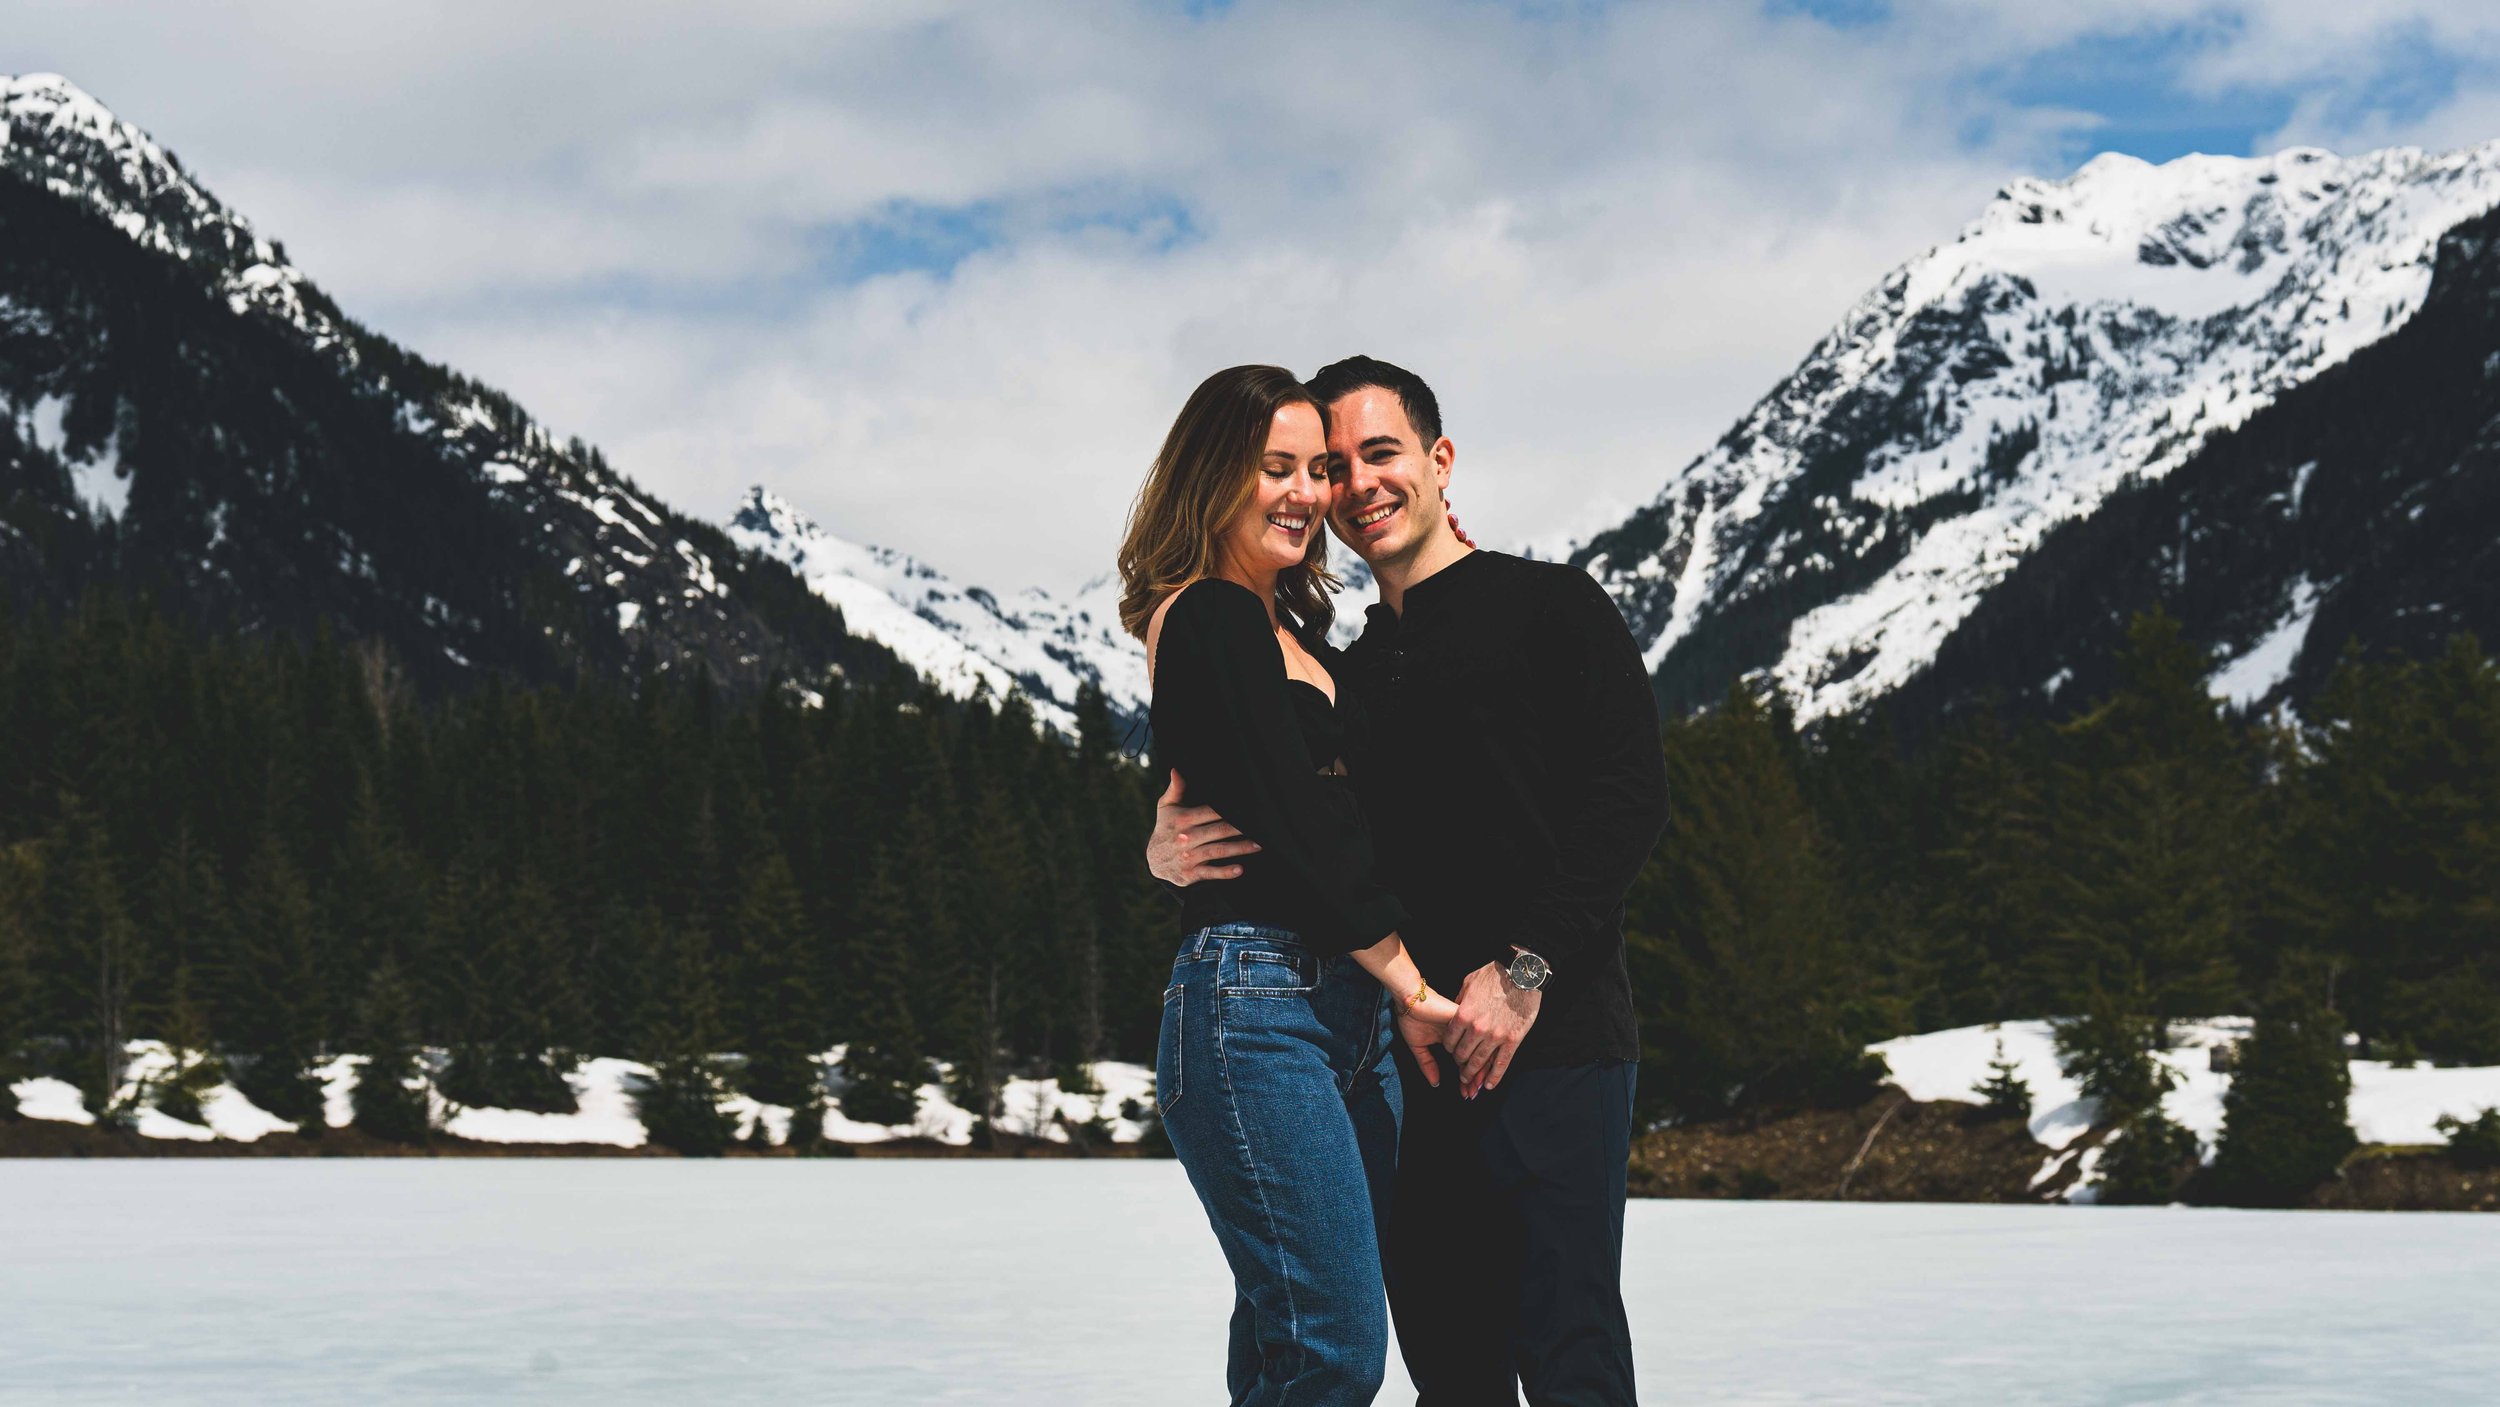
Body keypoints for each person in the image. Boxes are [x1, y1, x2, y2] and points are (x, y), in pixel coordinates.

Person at [1150, 356, 1669, 1406]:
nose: (1352, 486)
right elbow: (1298, 811)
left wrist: (1521, 973)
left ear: (1437, 461)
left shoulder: (1549, 605)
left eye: (1377, 454)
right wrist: (1161, 845)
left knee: (1571, 1350)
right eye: (1329, 467)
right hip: (1406, 1060)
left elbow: (1626, 805)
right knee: (1448, 1360)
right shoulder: (1347, 659)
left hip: (1554, 1037)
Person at [1118, 363, 1464, 1405]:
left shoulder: (1294, 635)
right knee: (1331, 1351)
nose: (1307, 494)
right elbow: (1293, 817)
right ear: (1210, 476)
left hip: (1338, 1016)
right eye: (1275, 468)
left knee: (1288, 1340)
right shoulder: (1213, 614)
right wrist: (1412, 985)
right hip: (1257, 1004)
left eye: (1316, 471)